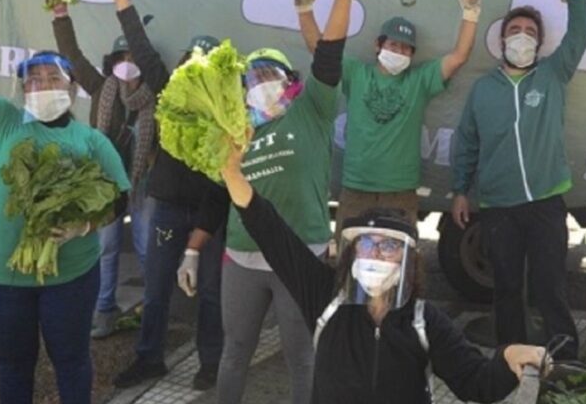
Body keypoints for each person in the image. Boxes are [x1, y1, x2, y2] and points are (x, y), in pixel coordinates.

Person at [218, 125, 548, 403]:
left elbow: (474, 381)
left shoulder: (423, 321)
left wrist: (508, 357)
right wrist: (232, 173)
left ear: (408, 261)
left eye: (390, 247)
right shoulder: (324, 298)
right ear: (352, 252)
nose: (376, 254)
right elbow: (272, 233)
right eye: (367, 244)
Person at [0, 15, 131, 404]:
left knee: (72, 361)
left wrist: (85, 225)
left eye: (53, 77)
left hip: (70, 277)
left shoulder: (92, 140)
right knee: (14, 366)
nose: (43, 85)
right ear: (23, 89)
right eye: (34, 80)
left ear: (71, 86)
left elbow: (119, 198)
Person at [213, 0, 364, 404]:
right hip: (241, 256)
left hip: (303, 255)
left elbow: (331, 52)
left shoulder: (312, 108)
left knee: (303, 357)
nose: (262, 84)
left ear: (291, 81)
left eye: (271, 74)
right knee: (234, 353)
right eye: (253, 78)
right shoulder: (236, 126)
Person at [450, 0, 586, 360]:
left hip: (546, 201)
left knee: (550, 285)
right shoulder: (483, 90)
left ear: (540, 43)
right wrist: (460, 191)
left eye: (530, 32)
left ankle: (563, 358)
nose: (522, 37)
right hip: (498, 206)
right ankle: (511, 357)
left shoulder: (552, 74)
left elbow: (581, 33)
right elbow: (467, 143)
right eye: (515, 31)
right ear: (502, 41)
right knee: (507, 287)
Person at [109, 0, 228, 391]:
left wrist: (200, 240)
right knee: (157, 287)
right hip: (166, 207)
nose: (197, 74)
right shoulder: (167, 93)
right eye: (191, 64)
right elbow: (142, 50)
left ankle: (211, 363)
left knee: (211, 292)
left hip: (210, 214)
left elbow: (224, 182)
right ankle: (149, 358)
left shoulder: (228, 114)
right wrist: (123, 2)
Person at [296, 0, 481, 227]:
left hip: (401, 194)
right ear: (378, 45)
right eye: (394, 45)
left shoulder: (419, 80)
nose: (399, 52)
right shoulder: (356, 73)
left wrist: (471, 11)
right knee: (347, 261)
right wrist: (304, 7)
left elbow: (459, 57)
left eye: (406, 49)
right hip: (354, 189)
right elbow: (318, 50)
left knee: (400, 264)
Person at [49, 0, 156, 339]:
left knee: (145, 247)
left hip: (141, 184)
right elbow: (73, 57)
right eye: (122, 59)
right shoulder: (101, 89)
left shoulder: (156, 97)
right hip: (105, 184)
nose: (128, 64)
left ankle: (152, 315)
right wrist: (61, 16)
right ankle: (104, 311)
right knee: (106, 248)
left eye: (133, 58)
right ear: (113, 63)